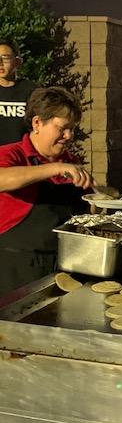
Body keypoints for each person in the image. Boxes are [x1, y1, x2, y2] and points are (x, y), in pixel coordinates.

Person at [0, 86, 94, 294]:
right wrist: (54, 168)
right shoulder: (12, 154)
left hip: (63, 265)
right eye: (62, 128)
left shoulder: (69, 161)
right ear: (37, 123)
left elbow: (83, 210)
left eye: (72, 129)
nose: (69, 135)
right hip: (15, 268)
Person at [0, 39, 36, 145]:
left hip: (21, 153)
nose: (0, 63)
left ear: (17, 62)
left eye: (5, 58)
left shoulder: (31, 91)